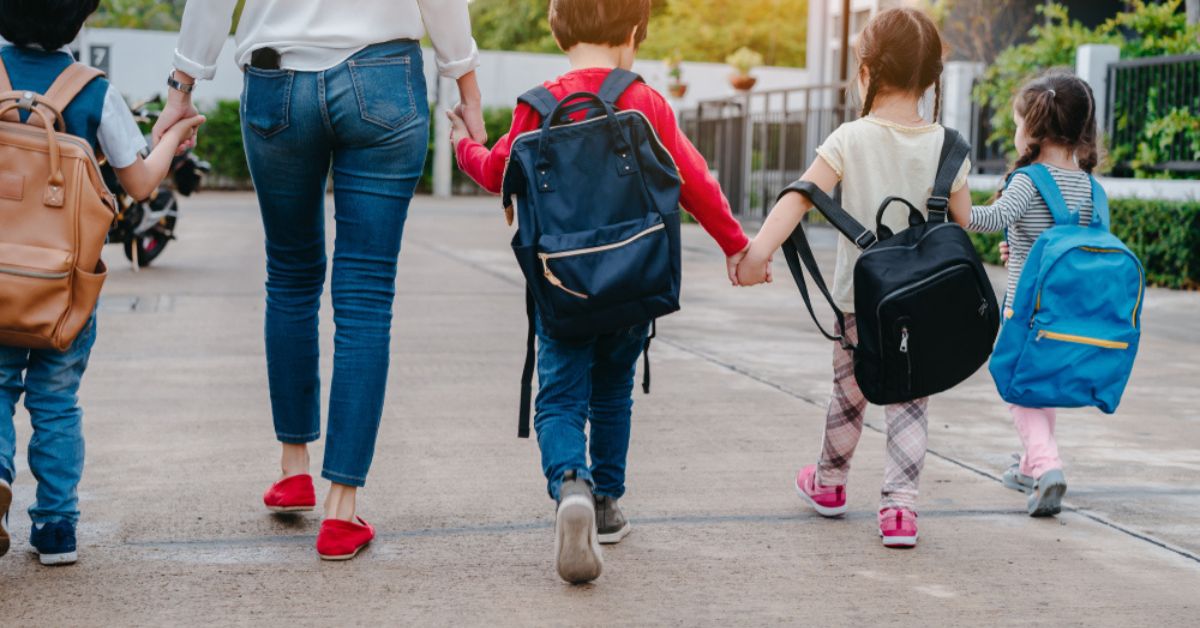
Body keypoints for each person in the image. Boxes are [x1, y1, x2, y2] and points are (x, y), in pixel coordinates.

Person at [157, 0, 486, 561]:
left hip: (276, 77)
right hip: (384, 79)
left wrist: (181, 87)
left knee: (289, 276)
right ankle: (340, 510)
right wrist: (467, 87)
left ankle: (293, 470)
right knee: (365, 296)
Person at [449, 0, 749, 582]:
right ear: (635, 32)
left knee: (560, 398)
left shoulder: (535, 107)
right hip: (633, 282)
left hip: (562, 290)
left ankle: (571, 486)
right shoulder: (643, 100)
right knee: (613, 392)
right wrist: (736, 245)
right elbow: (694, 179)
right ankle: (607, 505)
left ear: (558, 30)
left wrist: (464, 140)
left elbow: (494, 173)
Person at [737, 8, 970, 548]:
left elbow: (800, 195)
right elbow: (963, 222)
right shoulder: (949, 146)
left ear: (864, 72)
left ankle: (830, 484)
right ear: (933, 78)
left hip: (859, 303)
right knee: (911, 398)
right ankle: (900, 512)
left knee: (849, 395)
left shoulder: (849, 137)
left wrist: (758, 253)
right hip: (924, 305)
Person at [0, 0, 203, 566]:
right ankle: (56, 528)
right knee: (57, 402)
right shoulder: (93, 91)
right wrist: (175, 133)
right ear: (82, 19)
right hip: (63, 292)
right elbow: (139, 183)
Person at [956, 72, 1102, 517]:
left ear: (1032, 130)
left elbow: (984, 218)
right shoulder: (1089, 185)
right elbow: (1064, 241)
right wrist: (1016, 245)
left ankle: (1046, 464)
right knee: (1040, 385)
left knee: (1018, 387)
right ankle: (1027, 466)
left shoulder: (1028, 180)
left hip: (1026, 308)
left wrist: (952, 194)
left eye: (1018, 122)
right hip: (1065, 307)